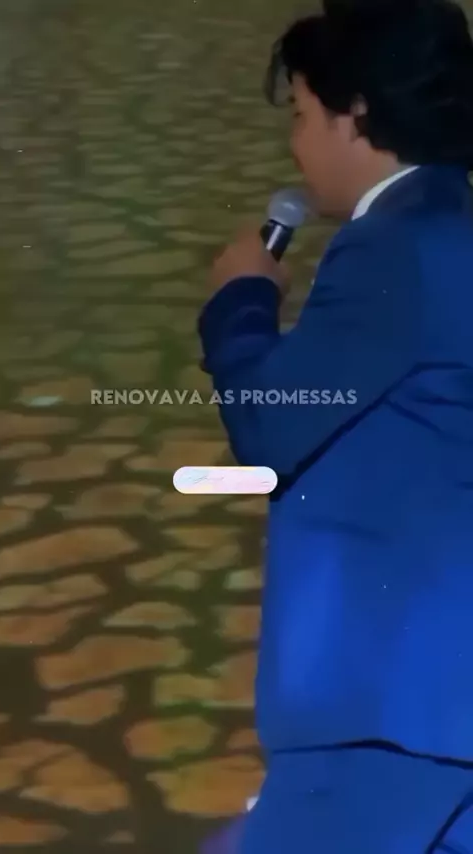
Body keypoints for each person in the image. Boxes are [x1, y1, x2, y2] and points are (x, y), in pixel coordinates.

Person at [197, 0, 473, 851]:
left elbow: (269, 425)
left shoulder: (396, 244)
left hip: (384, 711)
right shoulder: (452, 227)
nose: (295, 145)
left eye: (301, 114)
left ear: (355, 114)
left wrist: (240, 300)